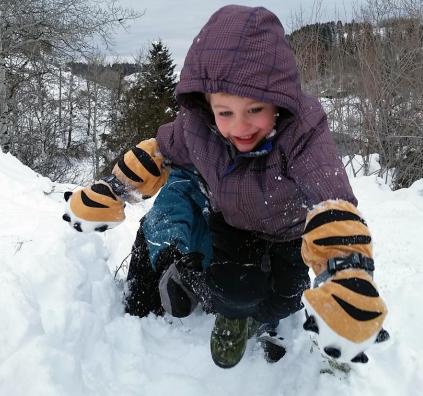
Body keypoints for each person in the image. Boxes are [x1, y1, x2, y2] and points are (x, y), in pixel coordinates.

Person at [63, 5, 389, 369]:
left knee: (284, 299)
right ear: (207, 106)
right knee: (232, 292)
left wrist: (347, 269)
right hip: (232, 223)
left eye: (255, 109)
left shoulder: (303, 132)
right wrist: (114, 188)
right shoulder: (197, 128)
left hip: (289, 231)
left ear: (279, 100)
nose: (240, 127)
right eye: (226, 112)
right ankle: (234, 316)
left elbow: (332, 197)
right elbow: (158, 153)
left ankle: (266, 318)